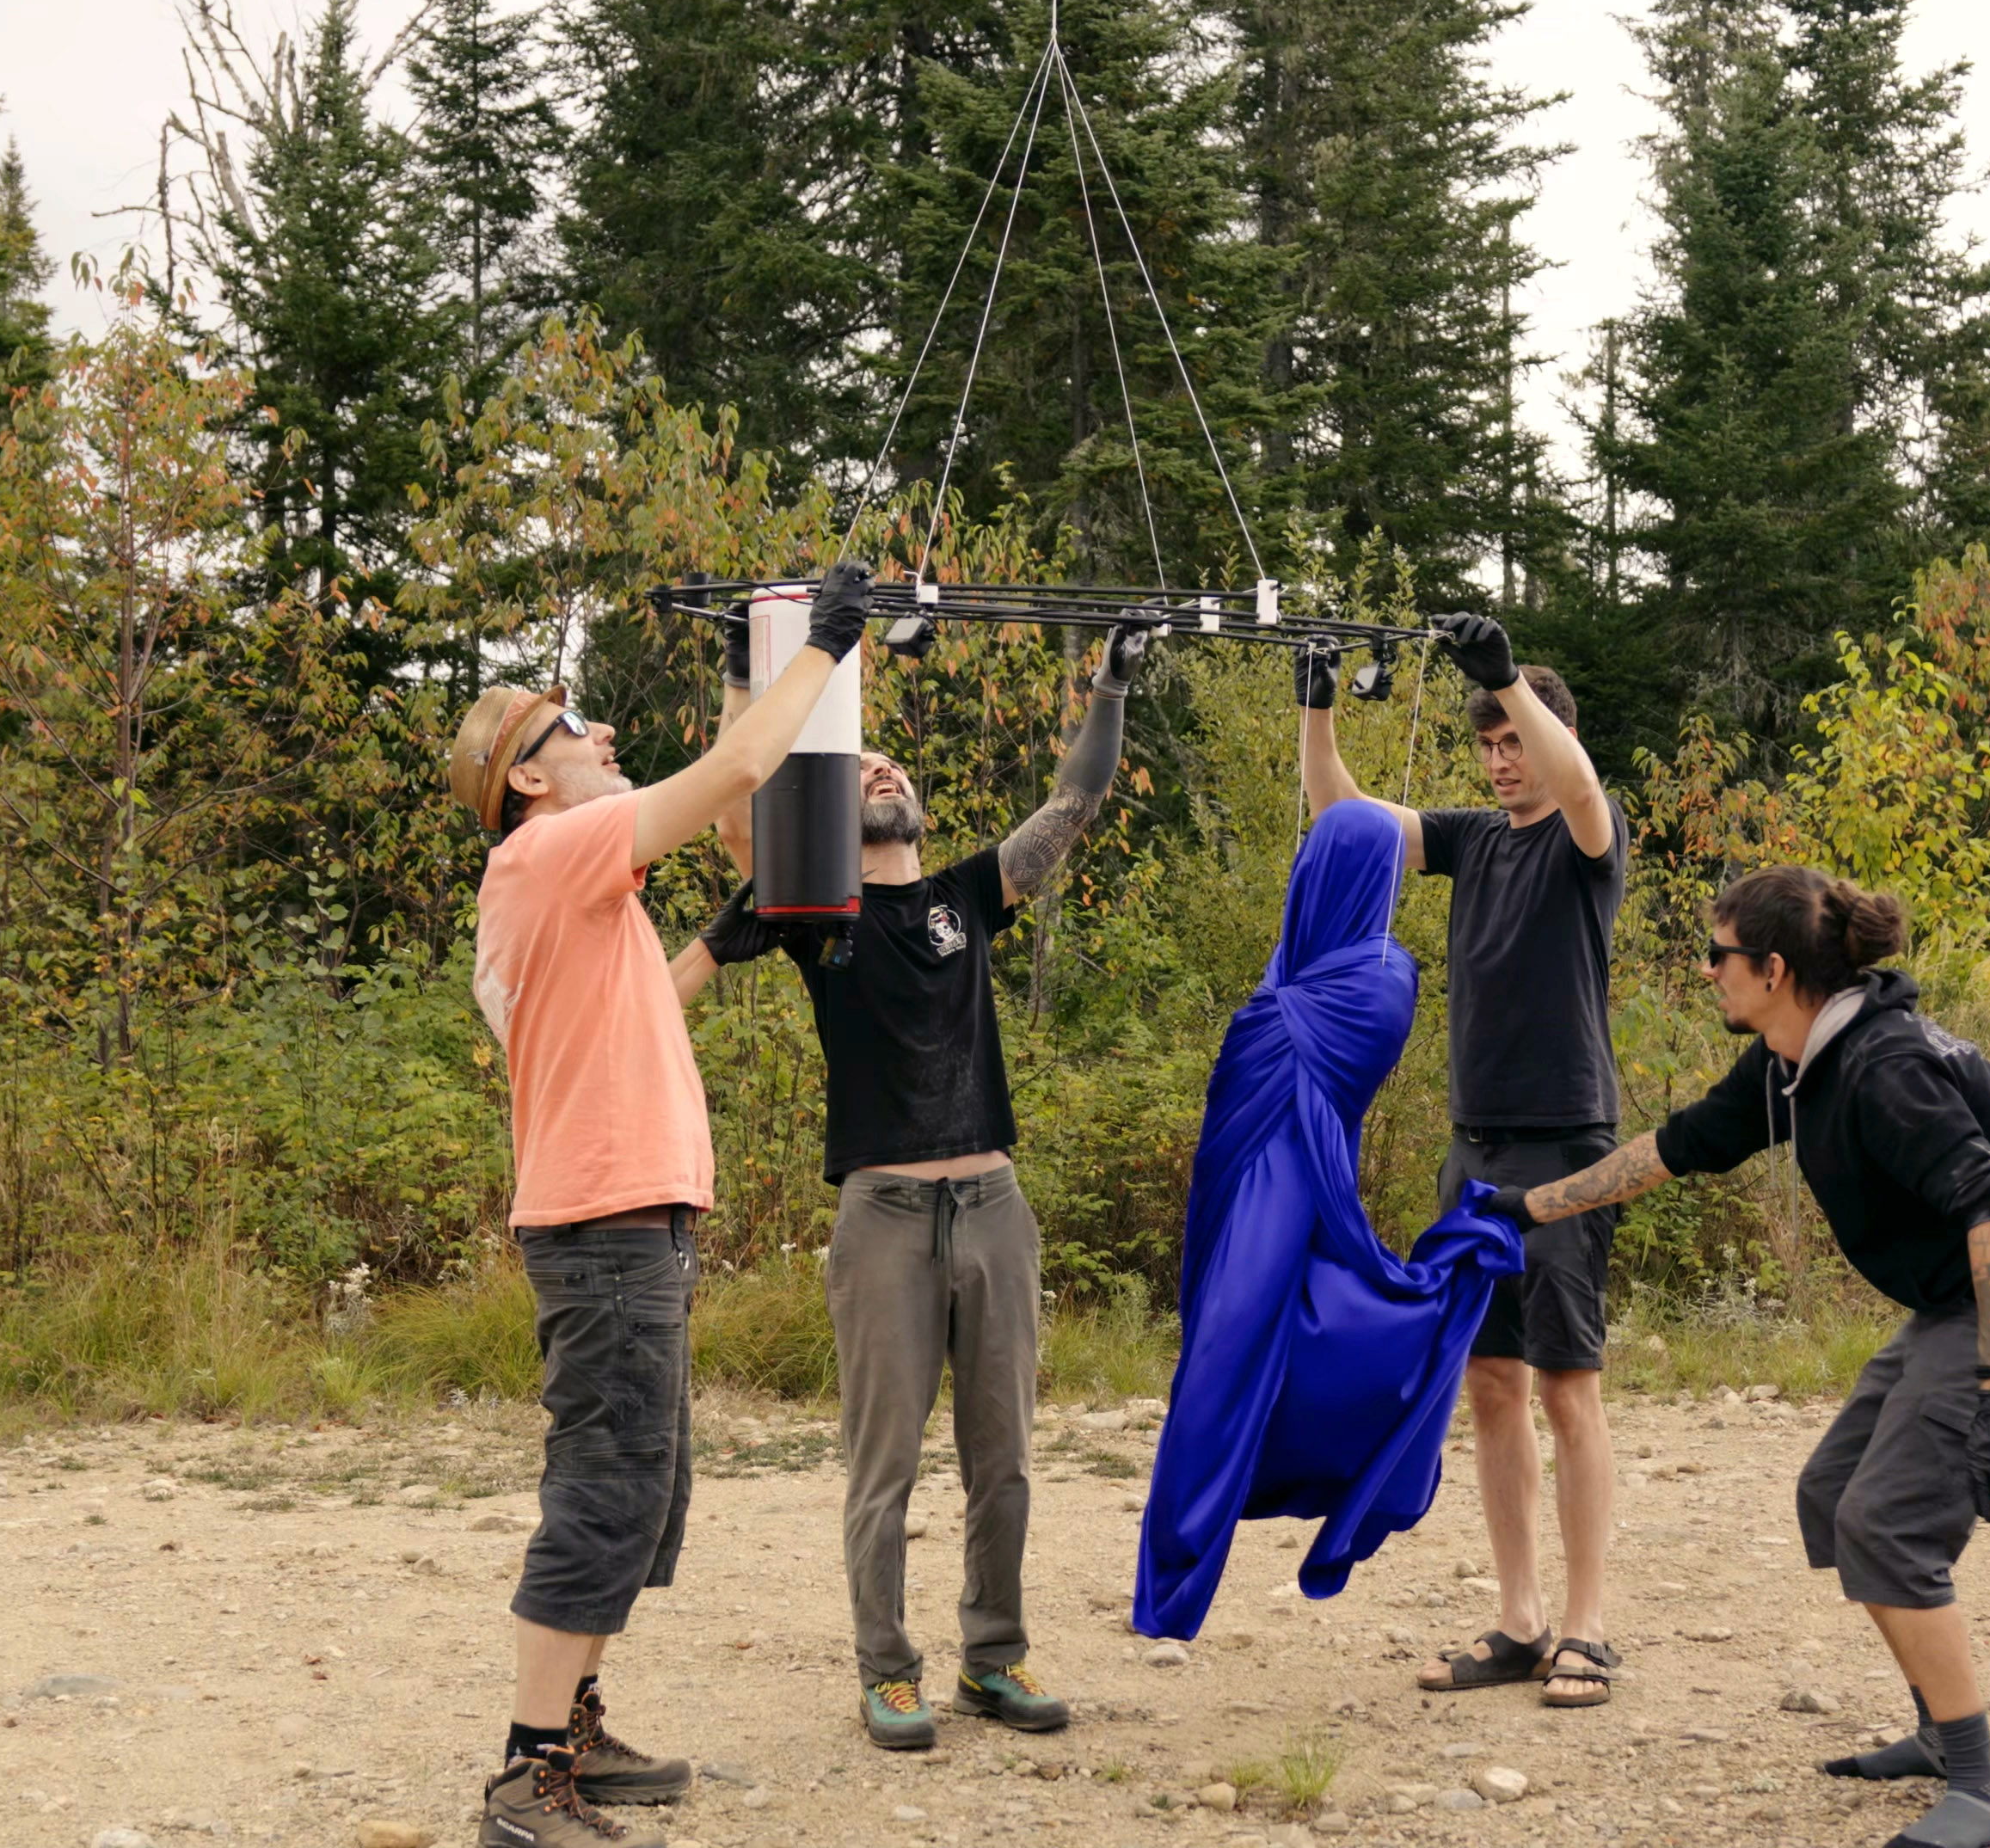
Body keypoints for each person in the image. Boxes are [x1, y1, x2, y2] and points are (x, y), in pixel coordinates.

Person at [1493, 865, 1990, 1848]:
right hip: (1949, 1307)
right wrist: (1529, 1207)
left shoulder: (1882, 1068)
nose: (1706, 971)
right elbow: (1675, 1147)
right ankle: (1937, 1735)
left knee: (1886, 1525)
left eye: (1719, 954)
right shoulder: (1791, 1061)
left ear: (1774, 969)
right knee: (1832, 1495)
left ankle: (1985, 1787)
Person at [447, 561, 873, 1848]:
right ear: (529, 776)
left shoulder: (563, 886)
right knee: (608, 1484)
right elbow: (740, 773)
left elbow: (626, 1018)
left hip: (624, 1220)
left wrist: (718, 944)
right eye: (579, 728)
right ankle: (528, 1773)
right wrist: (823, 654)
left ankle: (572, 1723)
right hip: (610, 1224)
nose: (608, 734)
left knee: (647, 1481)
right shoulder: (549, 851)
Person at [679, 612, 1155, 1751]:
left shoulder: (965, 895)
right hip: (884, 1218)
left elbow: (1071, 810)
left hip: (995, 1209)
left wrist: (1110, 687)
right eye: (857, 765)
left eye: (893, 763)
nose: (879, 767)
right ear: (831, 807)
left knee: (1007, 1463)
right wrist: (758, 665)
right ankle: (888, 1672)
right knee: (882, 1461)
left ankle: (994, 1662)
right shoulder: (811, 908)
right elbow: (738, 803)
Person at [1301, 613, 1631, 1709]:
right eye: (1488, 746)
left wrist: (1509, 678)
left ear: (1549, 736)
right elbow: (1345, 818)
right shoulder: (1476, 838)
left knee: (1569, 1389)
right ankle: (1522, 1621)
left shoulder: (1586, 837)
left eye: (1514, 742)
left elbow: (1580, 786)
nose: (1501, 762)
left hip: (1567, 1146)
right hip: (1473, 1146)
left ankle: (1588, 1626)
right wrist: (1317, 707)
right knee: (1491, 1385)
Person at [1130, 799, 1524, 1639]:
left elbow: (1295, 1036)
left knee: (1234, 1351)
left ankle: (1186, 1566)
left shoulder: (1383, 978)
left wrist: (1273, 1012)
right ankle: (1183, 1563)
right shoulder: (1304, 969)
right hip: (1243, 1172)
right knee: (1219, 1348)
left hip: (1299, 1173)